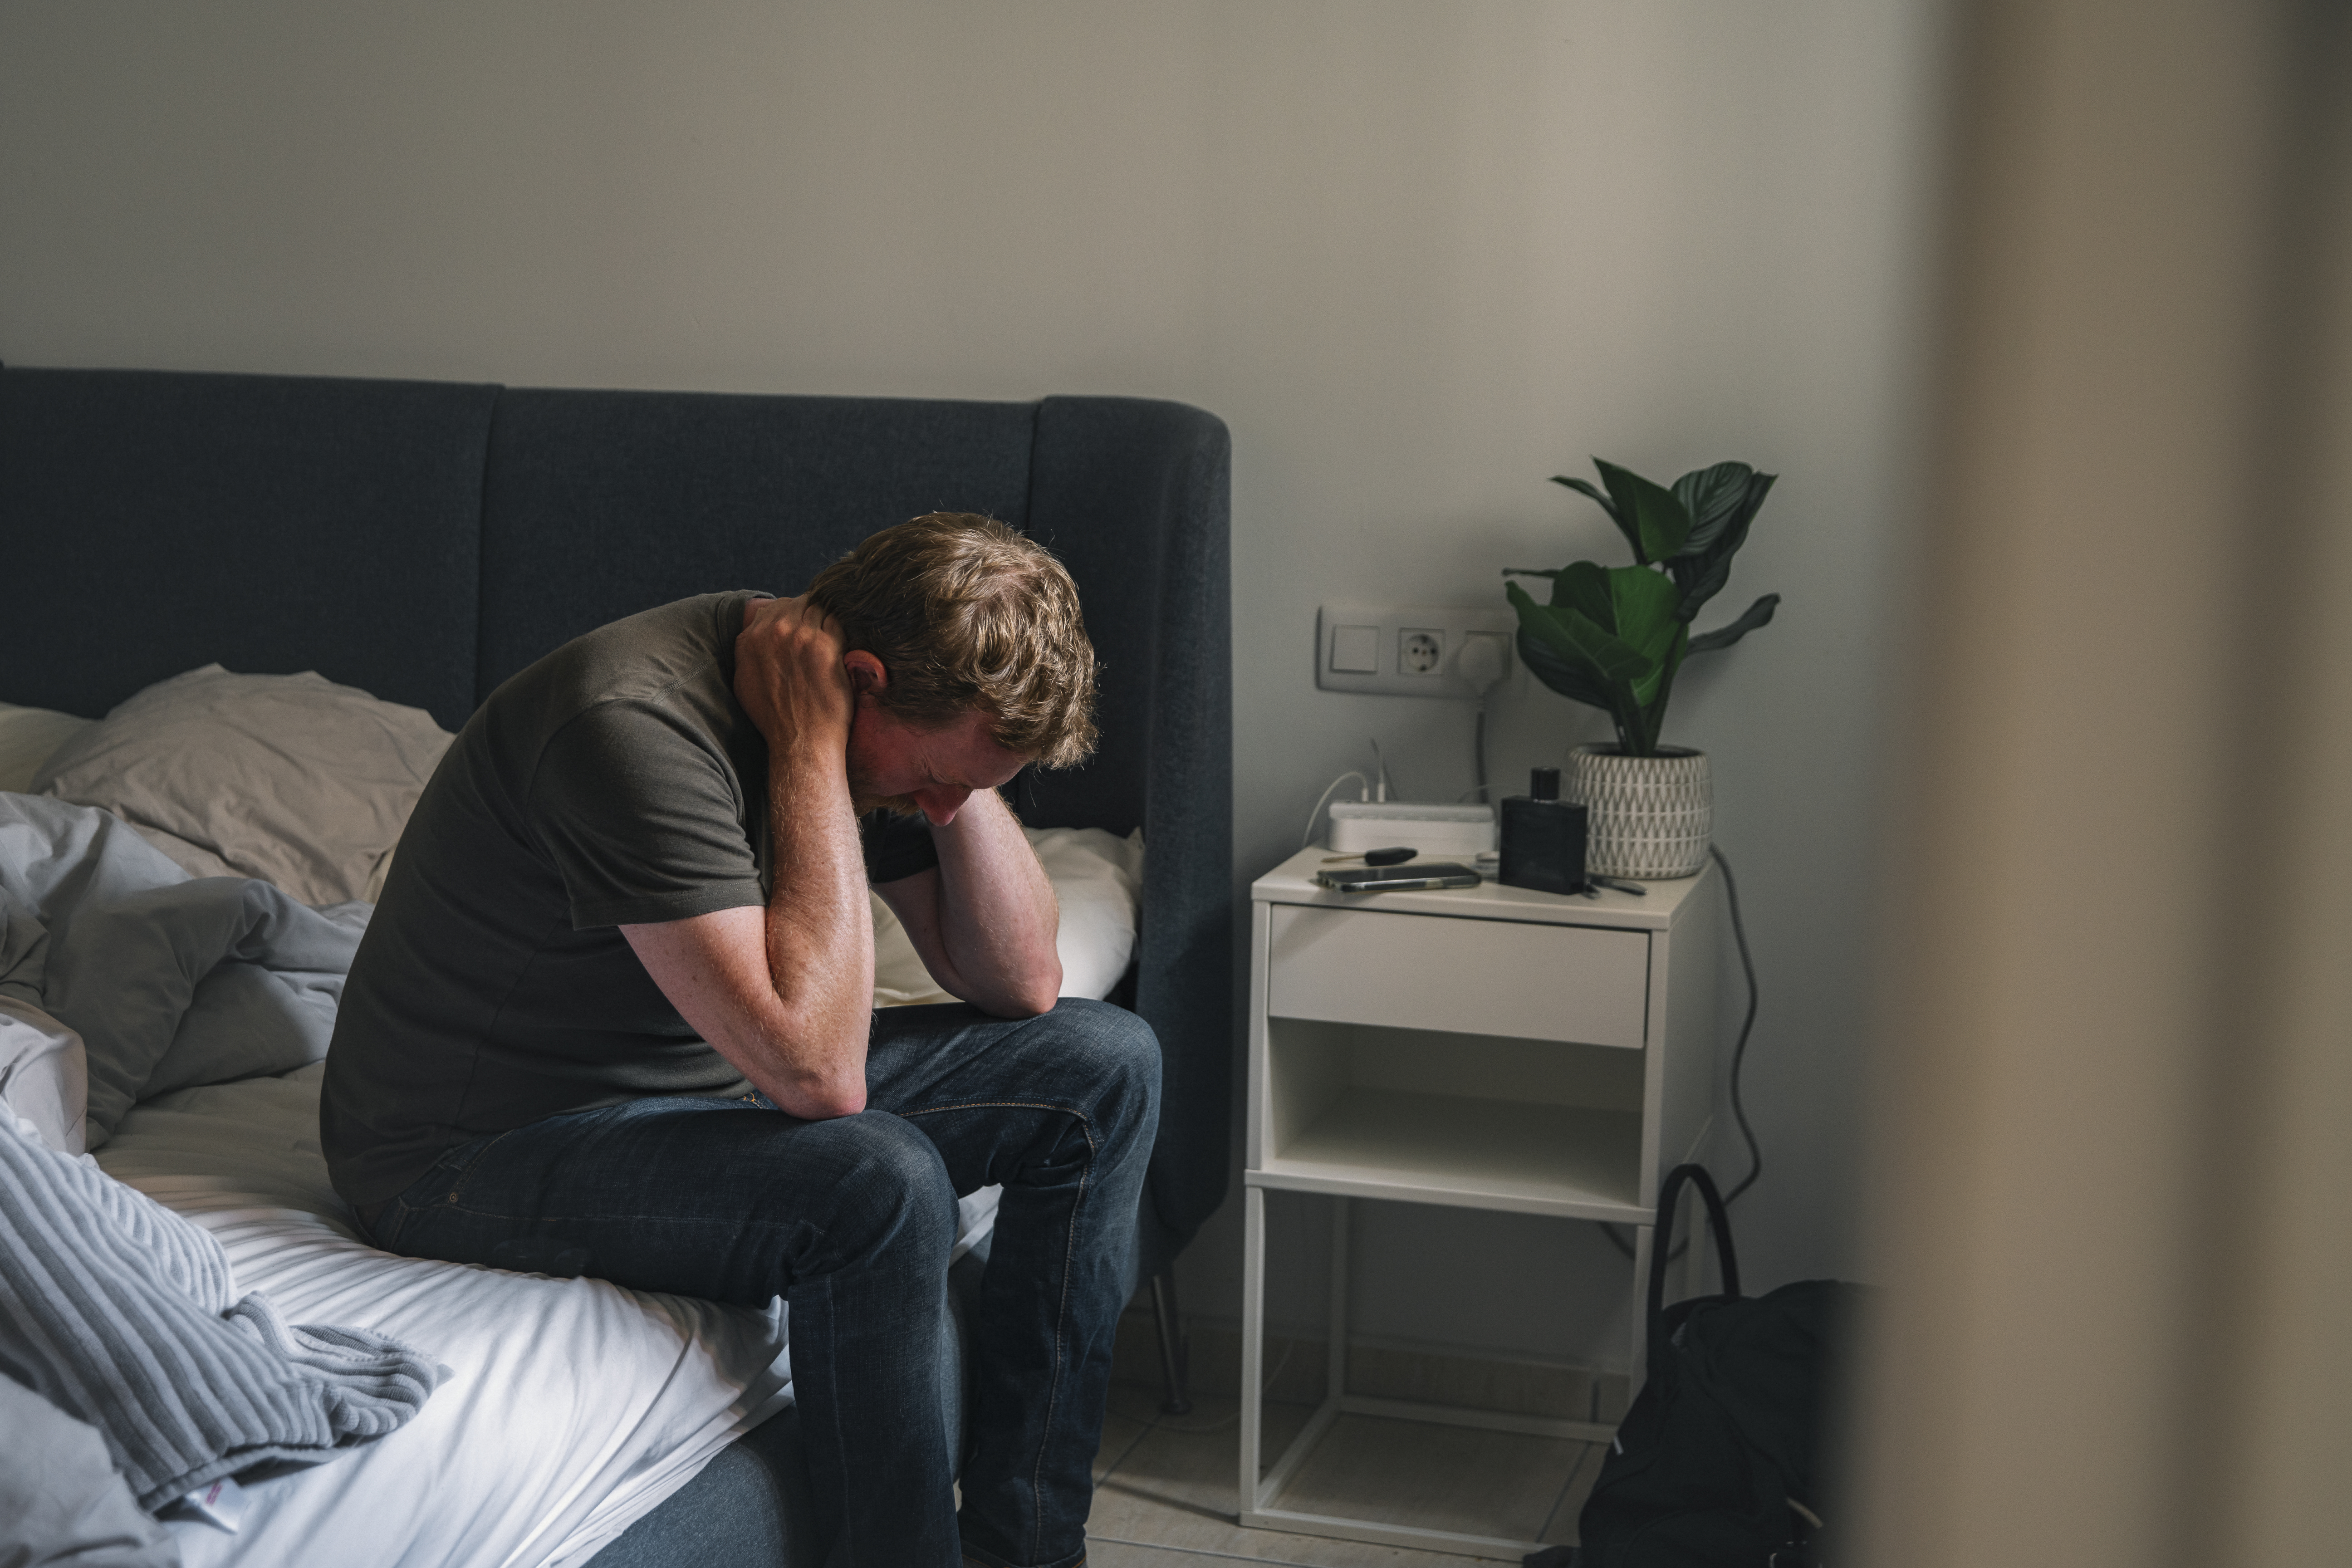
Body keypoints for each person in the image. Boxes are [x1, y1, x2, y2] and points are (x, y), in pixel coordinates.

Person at [320, 513, 1160, 1568]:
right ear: (859, 678)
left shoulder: (876, 720)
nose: (939, 806)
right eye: (941, 777)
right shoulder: (629, 724)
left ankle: (1028, 1550)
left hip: (699, 1082)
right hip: (471, 1151)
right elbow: (819, 1074)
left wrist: (960, 788)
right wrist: (812, 751)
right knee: (877, 1177)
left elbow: (1022, 979)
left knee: (1105, 1066)